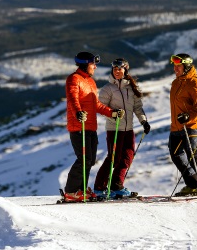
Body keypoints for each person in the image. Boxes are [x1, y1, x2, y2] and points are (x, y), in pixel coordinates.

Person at [63, 51, 124, 202]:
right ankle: (71, 191)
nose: (95, 67)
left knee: (90, 160)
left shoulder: (90, 82)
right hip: (79, 126)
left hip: (90, 126)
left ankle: (81, 190)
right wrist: (78, 113)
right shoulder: (73, 79)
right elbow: (72, 99)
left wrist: (112, 113)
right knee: (83, 159)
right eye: (93, 64)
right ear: (85, 64)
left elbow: (95, 105)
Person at [93, 58, 151, 198]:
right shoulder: (108, 89)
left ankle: (116, 186)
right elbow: (101, 109)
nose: (117, 71)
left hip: (128, 129)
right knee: (113, 158)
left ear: (126, 70)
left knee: (127, 157)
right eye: (114, 69)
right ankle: (99, 188)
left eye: (120, 69)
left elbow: (137, 107)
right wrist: (114, 114)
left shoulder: (131, 88)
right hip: (114, 128)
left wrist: (144, 122)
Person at [168, 53, 197, 195]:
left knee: (194, 156)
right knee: (176, 155)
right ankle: (194, 185)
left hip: (191, 126)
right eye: (175, 66)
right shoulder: (176, 83)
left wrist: (188, 116)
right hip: (176, 126)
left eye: (179, 66)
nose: (176, 69)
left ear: (187, 67)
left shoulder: (196, 84)